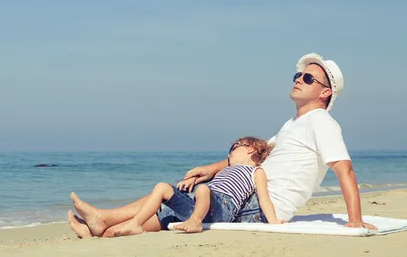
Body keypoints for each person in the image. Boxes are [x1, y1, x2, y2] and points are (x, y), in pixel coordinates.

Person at [67, 53, 377, 238]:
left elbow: (344, 169)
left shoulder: (321, 122)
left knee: (174, 201)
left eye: (308, 78)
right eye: (299, 74)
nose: (298, 79)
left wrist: (354, 219)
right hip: (249, 194)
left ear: (325, 94)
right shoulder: (292, 125)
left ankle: (104, 221)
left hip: (260, 206)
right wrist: (210, 169)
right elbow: (252, 158)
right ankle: (103, 227)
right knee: (179, 197)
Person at [112, 136, 283, 237]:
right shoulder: (226, 169)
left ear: (250, 149)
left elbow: (264, 199)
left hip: (223, 209)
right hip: (202, 205)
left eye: (233, 148)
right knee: (162, 187)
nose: (229, 153)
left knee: (204, 189)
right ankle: (136, 223)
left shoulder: (256, 172)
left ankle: (195, 222)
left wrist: (274, 222)